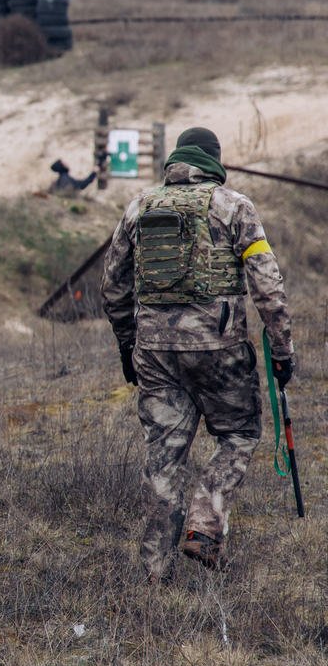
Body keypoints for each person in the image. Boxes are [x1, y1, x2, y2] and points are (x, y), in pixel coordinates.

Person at [101, 127, 294, 579]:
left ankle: (154, 571)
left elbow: (112, 287)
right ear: (214, 161)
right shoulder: (234, 206)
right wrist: (281, 346)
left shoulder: (139, 207)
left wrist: (128, 344)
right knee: (239, 434)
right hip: (219, 349)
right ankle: (205, 527)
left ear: (174, 161)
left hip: (154, 352)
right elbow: (267, 284)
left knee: (164, 458)